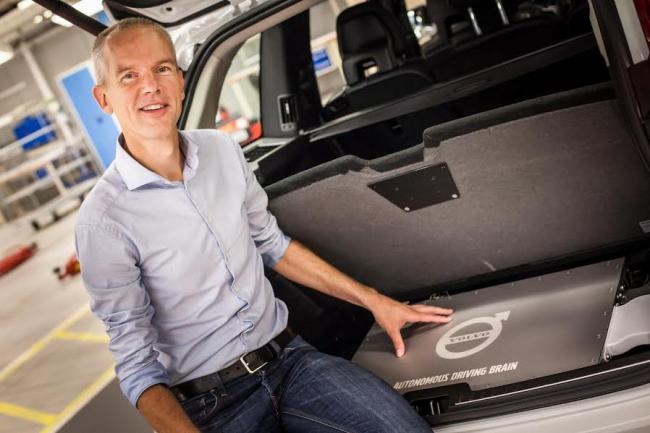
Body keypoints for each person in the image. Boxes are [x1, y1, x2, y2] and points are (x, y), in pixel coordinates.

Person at [75, 17, 453, 433]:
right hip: (211, 405)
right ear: (104, 98)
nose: (150, 86)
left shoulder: (222, 150)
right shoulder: (103, 222)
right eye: (129, 76)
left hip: (290, 362)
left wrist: (375, 301)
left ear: (180, 81)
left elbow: (273, 245)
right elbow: (137, 366)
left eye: (162, 69)